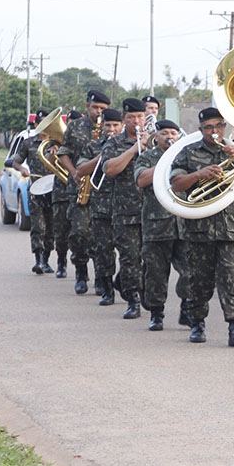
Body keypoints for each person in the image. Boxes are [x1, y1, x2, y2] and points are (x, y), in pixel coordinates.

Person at [170, 107, 234, 346]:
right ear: (201, 130)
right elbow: (176, 184)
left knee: (231, 278)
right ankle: (197, 323)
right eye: (209, 127)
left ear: (224, 128)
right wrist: (199, 174)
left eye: (218, 126)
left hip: (231, 227)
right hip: (199, 228)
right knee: (199, 279)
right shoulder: (188, 153)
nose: (214, 131)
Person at [135, 119, 190, 330]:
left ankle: (187, 309)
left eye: (173, 134)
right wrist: (165, 163)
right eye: (165, 133)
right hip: (156, 225)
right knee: (156, 273)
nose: (170, 137)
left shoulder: (186, 155)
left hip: (184, 223)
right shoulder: (147, 157)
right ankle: (156, 314)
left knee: (190, 271)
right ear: (156, 137)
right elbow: (141, 180)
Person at [57, 90, 110, 295]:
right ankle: (80, 272)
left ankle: (100, 276)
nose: (98, 112)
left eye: (103, 109)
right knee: (79, 233)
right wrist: (74, 174)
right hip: (78, 186)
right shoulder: (75, 126)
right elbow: (64, 153)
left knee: (101, 237)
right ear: (87, 105)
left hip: (103, 189)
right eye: (95, 107)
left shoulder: (111, 127)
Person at [101, 98, 150, 319]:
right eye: (131, 118)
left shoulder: (155, 140)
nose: (136, 122)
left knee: (149, 259)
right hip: (124, 211)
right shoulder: (114, 143)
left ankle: (129, 285)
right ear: (124, 119)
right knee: (130, 258)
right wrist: (134, 148)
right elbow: (110, 169)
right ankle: (133, 300)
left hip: (151, 212)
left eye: (140, 117)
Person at [74, 108, 122, 307]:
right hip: (101, 207)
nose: (111, 129)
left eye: (115, 125)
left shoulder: (130, 146)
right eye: (108, 126)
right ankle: (106, 289)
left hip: (127, 208)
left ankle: (125, 283)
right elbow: (81, 169)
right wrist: (101, 157)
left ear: (122, 126)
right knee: (103, 250)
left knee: (132, 253)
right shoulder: (93, 146)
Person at [11, 108, 55, 275]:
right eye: (40, 123)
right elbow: (15, 162)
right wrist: (22, 168)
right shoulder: (28, 143)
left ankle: (47, 259)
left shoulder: (56, 143)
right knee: (38, 226)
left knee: (51, 227)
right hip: (35, 189)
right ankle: (38, 260)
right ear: (36, 124)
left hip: (53, 189)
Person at [51, 109, 82, 280]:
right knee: (61, 231)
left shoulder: (86, 140)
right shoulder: (55, 141)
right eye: (68, 122)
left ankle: (82, 268)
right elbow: (49, 165)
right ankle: (61, 262)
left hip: (80, 189)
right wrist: (52, 156)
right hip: (61, 192)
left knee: (81, 232)